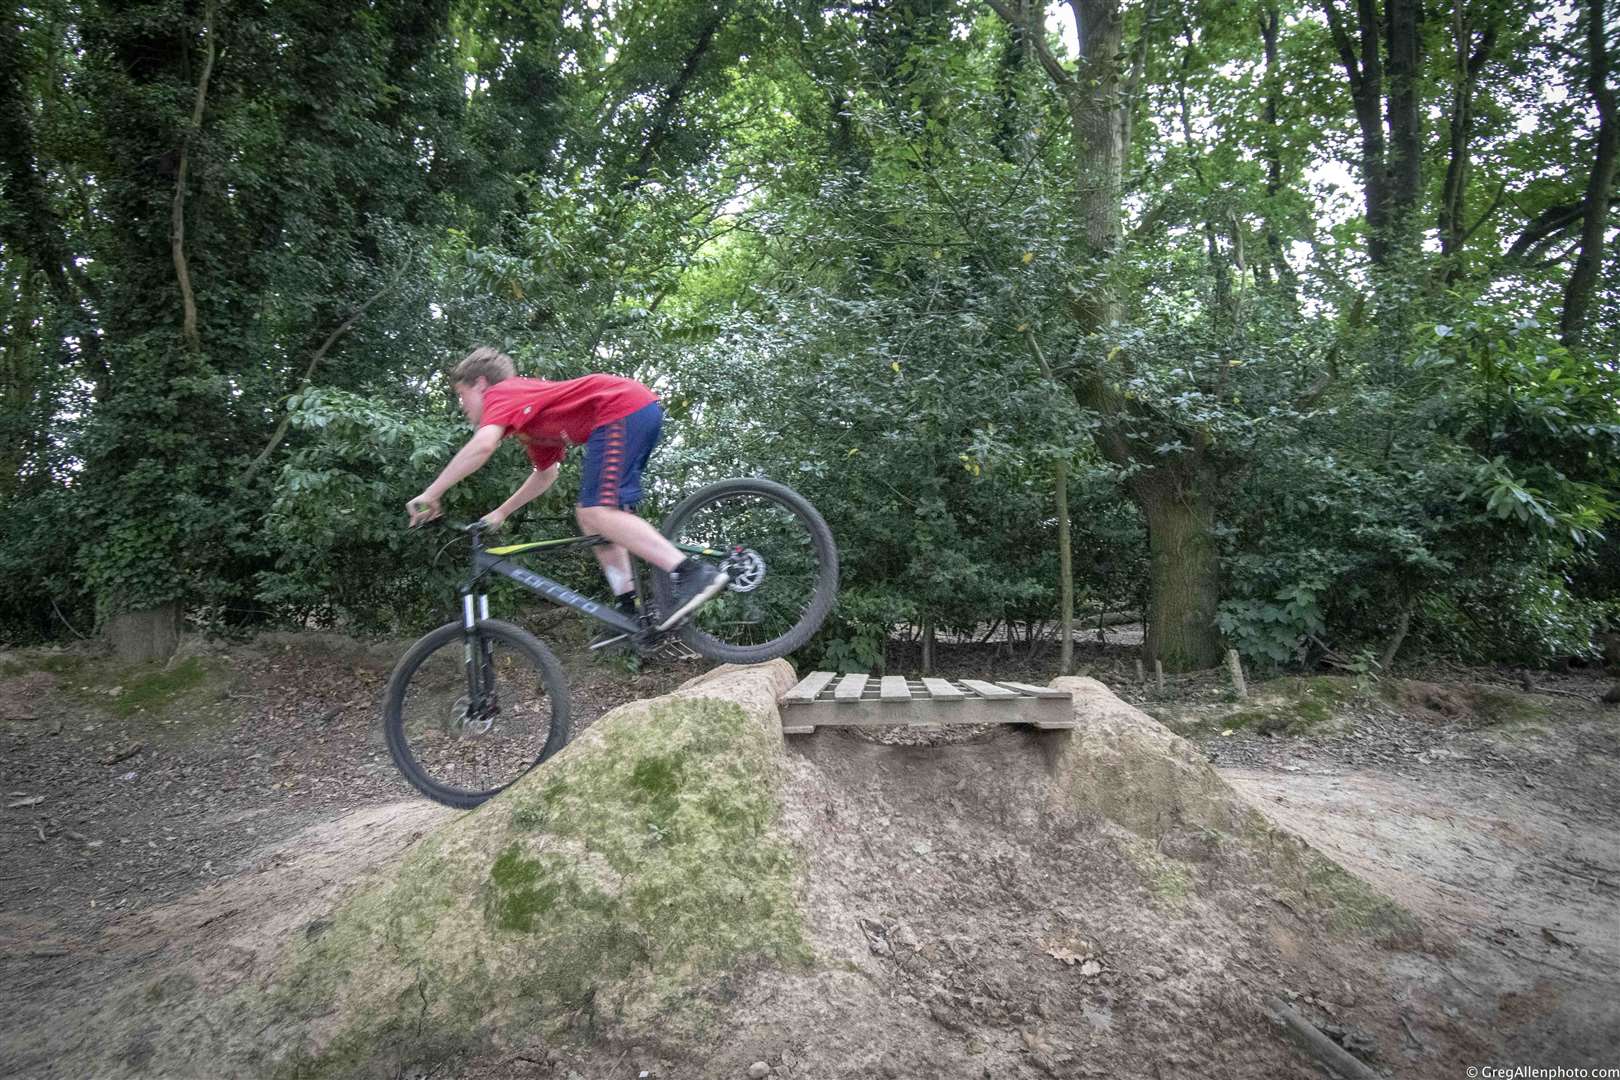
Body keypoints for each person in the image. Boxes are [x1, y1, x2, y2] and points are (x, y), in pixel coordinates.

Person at [405, 346, 729, 634]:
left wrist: (431, 493)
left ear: (480, 384)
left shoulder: (502, 393)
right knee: (591, 517)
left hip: (621, 408)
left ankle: (691, 572)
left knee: (596, 510)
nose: (463, 406)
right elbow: (546, 474)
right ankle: (629, 610)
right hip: (631, 410)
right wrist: (502, 512)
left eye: (462, 396)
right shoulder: (529, 422)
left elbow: (482, 445)